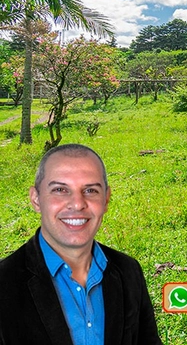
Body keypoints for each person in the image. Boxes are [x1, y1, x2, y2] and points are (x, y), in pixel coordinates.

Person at [0, 143, 163, 345]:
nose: (77, 204)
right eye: (60, 189)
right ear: (36, 199)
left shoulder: (128, 271)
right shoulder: (4, 282)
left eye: (90, 190)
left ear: (106, 199)